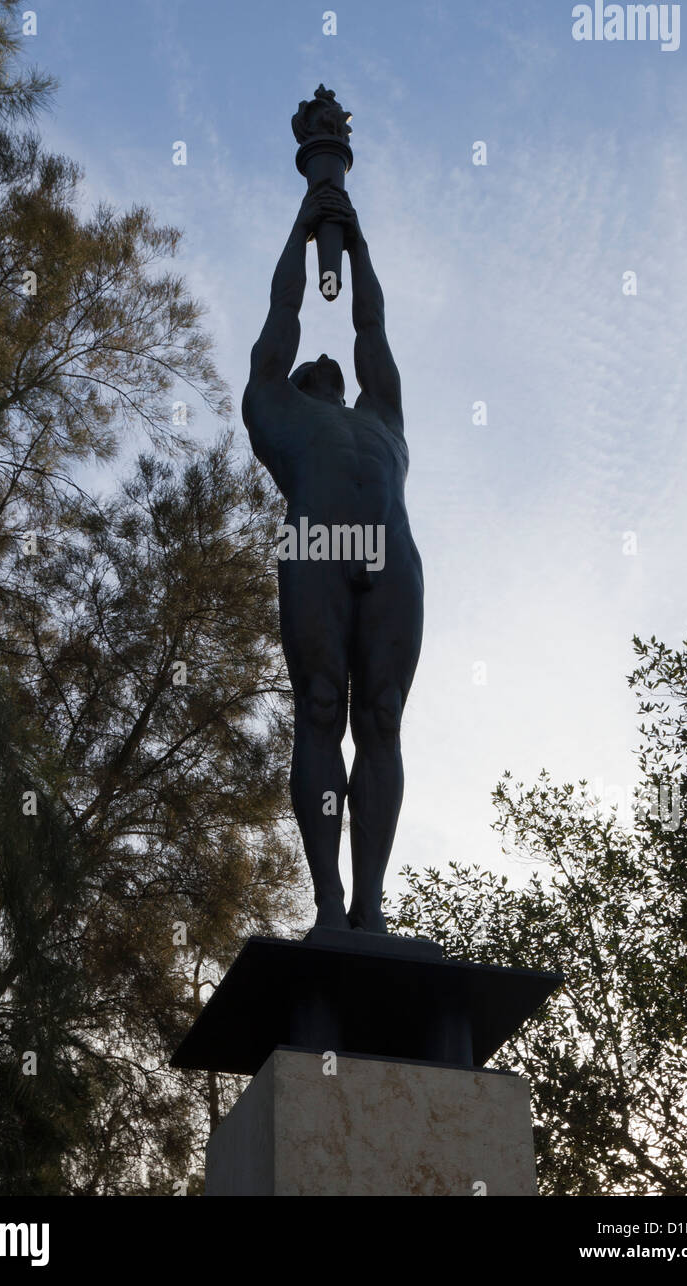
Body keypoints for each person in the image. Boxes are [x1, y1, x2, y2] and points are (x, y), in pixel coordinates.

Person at [243, 182, 423, 934]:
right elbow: (285, 313)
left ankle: (369, 907)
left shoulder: (380, 414)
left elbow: (371, 322)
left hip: (392, 549)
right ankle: (325, 904)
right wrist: (303, 222)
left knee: (381, 718)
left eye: (332, 361)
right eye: (305, 361)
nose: (322, 358)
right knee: (321, 707)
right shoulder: (276, 407)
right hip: (315, 544)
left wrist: (355, 238)